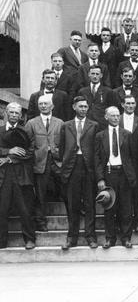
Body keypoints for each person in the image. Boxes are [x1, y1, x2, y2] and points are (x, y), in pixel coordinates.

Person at [59, 96, 99, 249]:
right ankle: (72, 237)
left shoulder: (94, 125)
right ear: (74, 107)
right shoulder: (66, 125)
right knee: (73, 204)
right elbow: (62, 148)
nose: (83, 109)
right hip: (72, 166)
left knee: (90, 203)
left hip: (88, 167)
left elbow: (97, 149)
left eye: (85, 106)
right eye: (80, 106)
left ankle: (90, 236)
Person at [95, 106, 137, 249]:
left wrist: (132, 176)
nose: (115, 118)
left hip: (124, 174)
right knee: (109, 207)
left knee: (126, 207)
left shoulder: (127, 134)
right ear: (106, 117)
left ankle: (126, 238)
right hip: (109, 174)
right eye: (112, 115)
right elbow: (97, 159)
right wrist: (100, 178)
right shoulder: (100, 136)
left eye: (117, 115)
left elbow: (132, 157)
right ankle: (110, 238)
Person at [25, 95, 65, 232]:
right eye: (41, 104)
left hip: (57, 161)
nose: (43, 106)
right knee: (40, 194)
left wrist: (57, 152)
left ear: (52, 106)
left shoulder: (60, 123)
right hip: (39, 162)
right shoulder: (31, 123)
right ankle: (40, 221)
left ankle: (71, 216)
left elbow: (65, 143)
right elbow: (26, 144)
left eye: (46, 103)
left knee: (67, 188)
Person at [0, 103, 35, 250]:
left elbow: (30, 152)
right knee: (2, 209)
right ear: (6, 113)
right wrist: (9, 150)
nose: (14, 115)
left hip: (21, 174)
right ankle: (2, 241)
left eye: (17, 113)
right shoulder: (0, 130)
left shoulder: (25, 131)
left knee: (24, 209)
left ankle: (29, 239)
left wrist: (9, 158)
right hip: (3, 175)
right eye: (11, 112)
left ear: (21, 116)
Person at [119, 95, 138, 233]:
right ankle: (123, 223)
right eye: (127, 103)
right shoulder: (117, 120)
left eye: (133, 103)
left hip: (137, 163)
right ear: (123, 104)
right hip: (120, 162)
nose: (130, 106)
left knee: (137, 194)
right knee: (123, 194)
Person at [77, 65, 117, 130]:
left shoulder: (108, 91)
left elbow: (111, 109)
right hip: (87, 125)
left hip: (102, 125)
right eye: (93, 74)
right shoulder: (82, 91)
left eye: (97, 74)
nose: (95, 76)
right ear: (89, 74)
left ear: (101, 75)